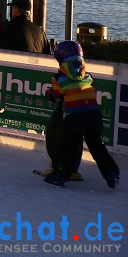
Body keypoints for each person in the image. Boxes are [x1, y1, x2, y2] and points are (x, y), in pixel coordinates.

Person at [42, 41, 119, 189]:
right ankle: (111, 172)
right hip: (93, 115)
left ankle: (60, 175)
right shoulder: (88, 76)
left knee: (66, 145)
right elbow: (94, 89)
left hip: (74, 117)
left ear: (60, 59)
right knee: (97, 146)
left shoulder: (58, 78)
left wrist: (48, 94)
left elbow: (57, 97)